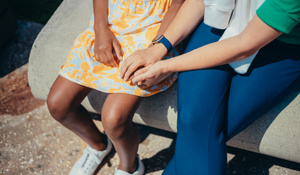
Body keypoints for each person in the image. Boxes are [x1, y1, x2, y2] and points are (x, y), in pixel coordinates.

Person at [119, 0, 300, 174]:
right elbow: (199, 2)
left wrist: (166, 66)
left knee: (204, 132)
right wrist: (159, 47)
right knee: (194, 119)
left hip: (280, 47)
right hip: (220, 18)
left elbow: (243, 44)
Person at [46, 0, 186, 174]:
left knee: (114, 119)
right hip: (113, 22)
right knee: (58, 104)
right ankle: (99, 145)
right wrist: (100, 29)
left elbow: (178, 4)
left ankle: (130, 167)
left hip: (155, 32)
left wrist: (155, 49)